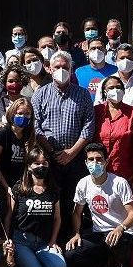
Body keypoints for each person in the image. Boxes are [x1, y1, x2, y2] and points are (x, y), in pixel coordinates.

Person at [31, 51, 95, 242]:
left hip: (75, 160)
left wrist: (71, 152)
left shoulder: (82, 94)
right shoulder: (40, 94)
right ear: (50, 69)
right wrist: (52, 152)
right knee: (51, 203)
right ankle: (52, 243)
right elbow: (36, 126)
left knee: (74, 203)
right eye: (57, 67)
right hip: (49, 159)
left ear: (71, 68)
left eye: (65, 67)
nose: (61, 70)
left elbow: (89, 126)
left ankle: (73, 242)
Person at [64, 143, 133, 267]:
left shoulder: (119, 182)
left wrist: (120, 228)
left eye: (99, 159)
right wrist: (76, 233)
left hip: (123, 231)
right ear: (86, 163)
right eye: (91, 159)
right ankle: (102, 263)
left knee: (119, 242)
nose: (95, 163)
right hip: (98, 233)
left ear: (106, 161)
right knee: (72, 253)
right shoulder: (83, 183)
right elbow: (76, 213)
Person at [5, 148, 67, 267]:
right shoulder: (19, 188)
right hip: (21, 241)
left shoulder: (53, 189)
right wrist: (8, 239)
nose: (41, 166)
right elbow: (9, 215)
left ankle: (32, 264)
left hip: (43, 242)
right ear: (29, 166)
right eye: (36, 163)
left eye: (44, 163)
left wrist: (53, 241)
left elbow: (57, 218)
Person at [94, 75, 133, 195]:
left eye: (118, 87)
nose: (115, 90)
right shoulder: (96, 112)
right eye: (111, 88)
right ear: (104, 92)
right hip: (99, 170)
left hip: (125, 171)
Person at [0, 98, 36, 194]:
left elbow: (29, 164)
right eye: (20, 113)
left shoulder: (30, 135)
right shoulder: (1, 132)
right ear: (12, 113)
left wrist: (25, 183)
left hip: (21, 185)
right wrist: (7, 188)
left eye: (27, 114)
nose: (23, 116)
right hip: (2, 184)